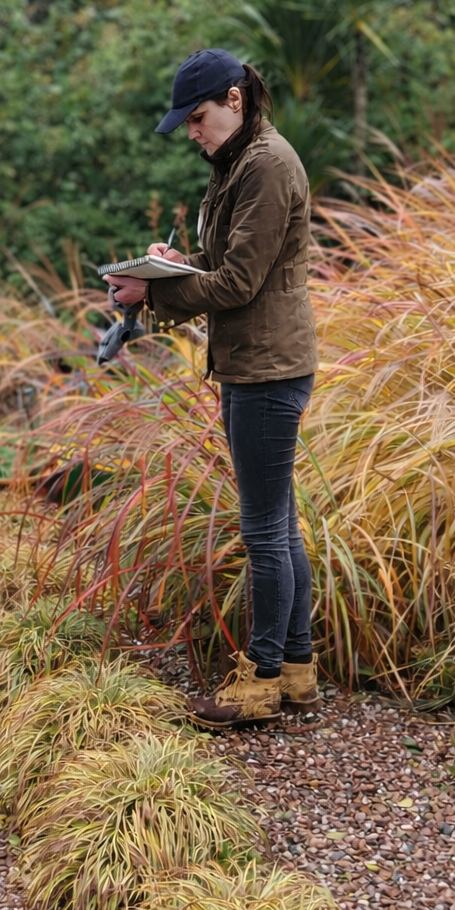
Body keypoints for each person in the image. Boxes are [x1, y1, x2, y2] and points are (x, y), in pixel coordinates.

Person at [108, 47, 319, 723]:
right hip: (255, 363)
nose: (192, 133)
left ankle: (260, 681)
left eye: (197, 118)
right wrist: (172, 266)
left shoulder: (266, 165)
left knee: (264, 529)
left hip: (267, 368)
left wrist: (151, 294)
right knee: (278, 523)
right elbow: (221, 262)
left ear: (235, 98)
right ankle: (295, 670)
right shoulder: (237, 162)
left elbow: (238, 283)